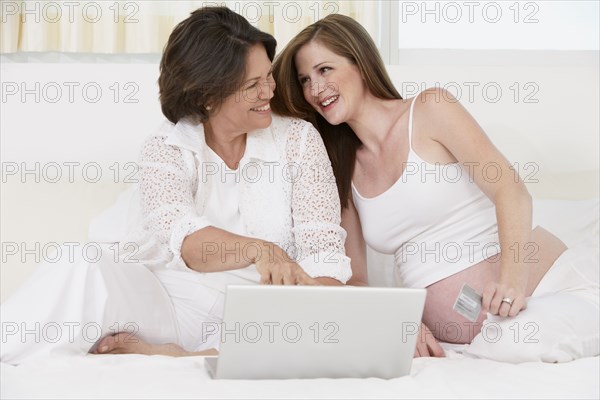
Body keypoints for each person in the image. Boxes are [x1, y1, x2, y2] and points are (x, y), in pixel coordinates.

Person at [1, 7, 351, 364]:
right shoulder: (166, 148)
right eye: (252, 86)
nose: (269, 92)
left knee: (314, 324)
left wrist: (313, 311)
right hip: (167, 303)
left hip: (258, 316)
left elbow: (324, 256)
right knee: (78, 261)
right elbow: (187, 242)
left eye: (269, 76)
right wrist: (260, 250)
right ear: (207, 97)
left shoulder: (299, 141)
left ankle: (180, 357)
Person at [271, 14, 599, 362]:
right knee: (503, 343)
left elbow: (510, 190)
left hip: (552, 290)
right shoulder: (343, 170)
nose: (315, 89)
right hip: (474, 341)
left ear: (361, 62)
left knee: (519, 339)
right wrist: (398, 318)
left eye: (325, 70)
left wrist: (512, 282)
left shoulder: (430, 110)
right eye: (305, 80)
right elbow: (355, 281)